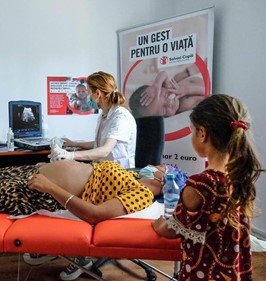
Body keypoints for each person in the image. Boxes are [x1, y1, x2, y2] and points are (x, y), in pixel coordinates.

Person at [151, 94, 265, 281]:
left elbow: (171, 229)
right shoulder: (238, 175)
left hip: (205, 272)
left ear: (202, 133)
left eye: (192, 130)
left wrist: (158, 224)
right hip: (232, 270)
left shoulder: (200, 184)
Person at [0, 159, 167, 280]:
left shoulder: (143, 194)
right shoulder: (133, 175)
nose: (153, 165)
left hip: (36, 192)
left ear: (164, 179)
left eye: (160, 167)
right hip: (32, 173)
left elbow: (94, 214)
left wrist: (50, 187)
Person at [54, 71, 137, 169]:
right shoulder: (103, 115)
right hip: (102, 170)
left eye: (88, 93)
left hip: (118, 174)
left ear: (97, 93)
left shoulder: (121, 116)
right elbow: (99, 144)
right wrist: (74, 144)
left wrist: (70, 155)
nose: (88, 97)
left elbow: (105, 150)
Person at [129, 63, 205, 118]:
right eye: (164, 110)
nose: (169, 103)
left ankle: (198, 66)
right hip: (205, 82)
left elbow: (164, 74)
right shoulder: (185, 105)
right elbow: (207, 92)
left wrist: (156, 85)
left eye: (165, 95)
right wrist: (186, 91)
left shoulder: (168, 88)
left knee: (176, 78)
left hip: (192, 76)